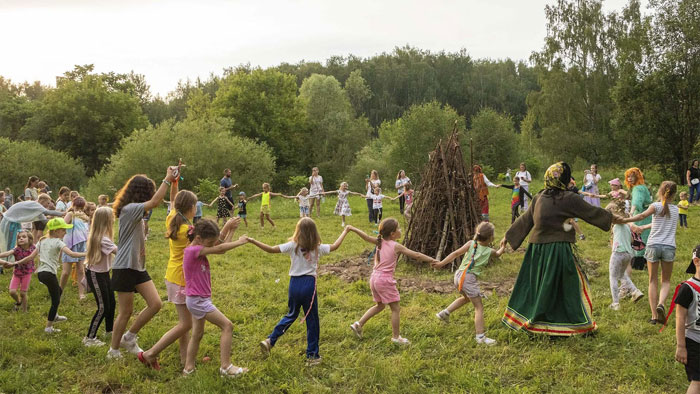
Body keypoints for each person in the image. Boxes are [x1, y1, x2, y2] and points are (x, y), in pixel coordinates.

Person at [502, 162, 624, 336]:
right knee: (564, 285)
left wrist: (615, 219)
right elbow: (527, 218)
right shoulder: (561, 198)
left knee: (545, 284)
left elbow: (591, 213)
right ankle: (561, 323)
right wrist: (507, 237)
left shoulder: (542, 196)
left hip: (537, 250)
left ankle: (544, 321)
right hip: (555, 250)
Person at [139, 186, 220, 369]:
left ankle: (185, 359)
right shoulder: (189, 231)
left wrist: (174, 181)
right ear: (191, 208)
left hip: (172, 275)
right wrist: (228, 227)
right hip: (183, 279)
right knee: (186, 324)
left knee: (184, 322)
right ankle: (150, 354)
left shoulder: (172, 219)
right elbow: (213, 244)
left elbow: (174, 199)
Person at [250, 218, 350, 365]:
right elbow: (335, 246)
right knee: (312, 320)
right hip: (309, 284)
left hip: (294, 284)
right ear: (315, 232)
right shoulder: (318, 247)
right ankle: (312, 356)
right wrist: (345, 231)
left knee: (291, 314)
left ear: (298, 231)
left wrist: (253, 240)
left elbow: (271, 249)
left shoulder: (292, 246)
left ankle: (270, 340)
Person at [108, 166, 178, 360]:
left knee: (155, 304)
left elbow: (161, 201)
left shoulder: (135, 212)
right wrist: (166, 178)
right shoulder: (129, 210)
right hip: (124, 267)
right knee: (126, 311)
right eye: (147, 191)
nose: (150, 196)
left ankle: (129, 337)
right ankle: (113, 350)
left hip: (137, 266)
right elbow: (156, 202)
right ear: (141, 192)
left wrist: (173, 181)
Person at [347, 219, 437, 345]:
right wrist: (432, 260)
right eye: (398, 228)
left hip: (374, 278)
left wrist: (353, 228)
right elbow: (416, 255)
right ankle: (396, 337)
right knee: (395, 309)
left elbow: (366, 237)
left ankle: (358, 324)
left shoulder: (379, 242)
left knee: (380, 305)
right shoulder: (396, 246)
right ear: (392, 234)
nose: (400, 230)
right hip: (384, 280)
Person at [182, 219, 248, 377]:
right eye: (210, 242)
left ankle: (188, 369)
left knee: (197, 334)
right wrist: (240, 242)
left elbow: (221, 248)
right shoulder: (193, 251)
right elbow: (220, 248)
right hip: (198, 301)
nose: (212, 245)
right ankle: (226, 367)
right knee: (227, 326)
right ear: (198, 238)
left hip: (198, 299)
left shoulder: (198, 248)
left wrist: (230, 230)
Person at [433, 222, 507, 345]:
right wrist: (503, 246)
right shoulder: (489, 251)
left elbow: (455, 254)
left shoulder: (470, 244)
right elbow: (499, 254)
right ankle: (480, 337)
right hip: (468, 279)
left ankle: (444, 313)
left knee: (466, 298)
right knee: (479, 307)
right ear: (491, 238)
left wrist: (441, 264)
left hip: (458, 276)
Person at [14, 218, 86, 333]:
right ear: (56, 231)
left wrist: (16, 263)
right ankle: (49, 327)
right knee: (56, 300)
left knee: (57, 291)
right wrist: (88, 253)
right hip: (49, 274)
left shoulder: (42, 241)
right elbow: (72, 254)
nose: (65, 233)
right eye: (63, 230)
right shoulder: (58, 242)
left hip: (41, 274)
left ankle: (55, 315)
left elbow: (30, 257)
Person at [623, 181, 679, 325]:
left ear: (659, 192)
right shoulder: (676, 210)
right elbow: (660, 223)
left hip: (654, 246)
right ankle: (661, 303)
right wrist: (644, 228)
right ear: (674, 194)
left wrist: (626, 220)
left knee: (652, 280)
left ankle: (654, 316)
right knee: (665, 280)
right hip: (669, 247)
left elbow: (641, 216)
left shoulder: (655, 206)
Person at [83, 207, 117, 347]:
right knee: (103, 307)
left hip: (103, 273)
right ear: (107, 220)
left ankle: (109, 331)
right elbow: (118, 252)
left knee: (112, 303)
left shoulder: (102, 235)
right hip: (96, 274)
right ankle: (89, 338)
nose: (114, 220)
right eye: (112, 217)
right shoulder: (103, 239)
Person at [605, 201, 644, 311]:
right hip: (628, 254)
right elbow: (631, 239)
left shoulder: (617, 224)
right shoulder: (627, 225)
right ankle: (635, 291)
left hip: (618, 253)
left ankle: (615, 303)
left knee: (612, 277)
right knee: (622, 274)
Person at [672, 245, 700, 394]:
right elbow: (680, 318)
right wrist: (681, 346)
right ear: (697, 261)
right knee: (698, 380)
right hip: (693, 342)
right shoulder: (688, 288)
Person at [623, 167, 653, 294]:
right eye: (628, 176)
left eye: (632, 176)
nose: (630, 178)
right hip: (643, 214)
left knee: (639, 235)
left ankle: (640, 263)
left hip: (641, 215)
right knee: (641, 236)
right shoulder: (639, 187)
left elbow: (637, 201)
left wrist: (631, 213)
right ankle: (643, 261)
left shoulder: (638, 188)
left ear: (637, 177)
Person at [59, 197, 89, 300]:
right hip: (70, 244)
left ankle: (81, 293)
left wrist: (83, 215)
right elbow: (62, 225)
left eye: (81, 207)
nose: (79, 209)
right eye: (77, 207)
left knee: (81, 270)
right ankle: (59, 292)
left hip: (81, 243)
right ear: (73, 205)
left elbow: (88, 220)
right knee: (66, 272)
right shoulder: (70, 214)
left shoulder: (82, 216)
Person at [0, 230, 35, 312]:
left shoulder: (33, 248)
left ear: (29, 239)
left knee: (23, 293)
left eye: (24, 237)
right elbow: (7, 253)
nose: (21, 239)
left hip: (27, 273)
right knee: (12, 292)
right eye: (19, 238)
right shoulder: (17, 249)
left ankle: (25, 311)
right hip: (17, 273)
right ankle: (19, 302)